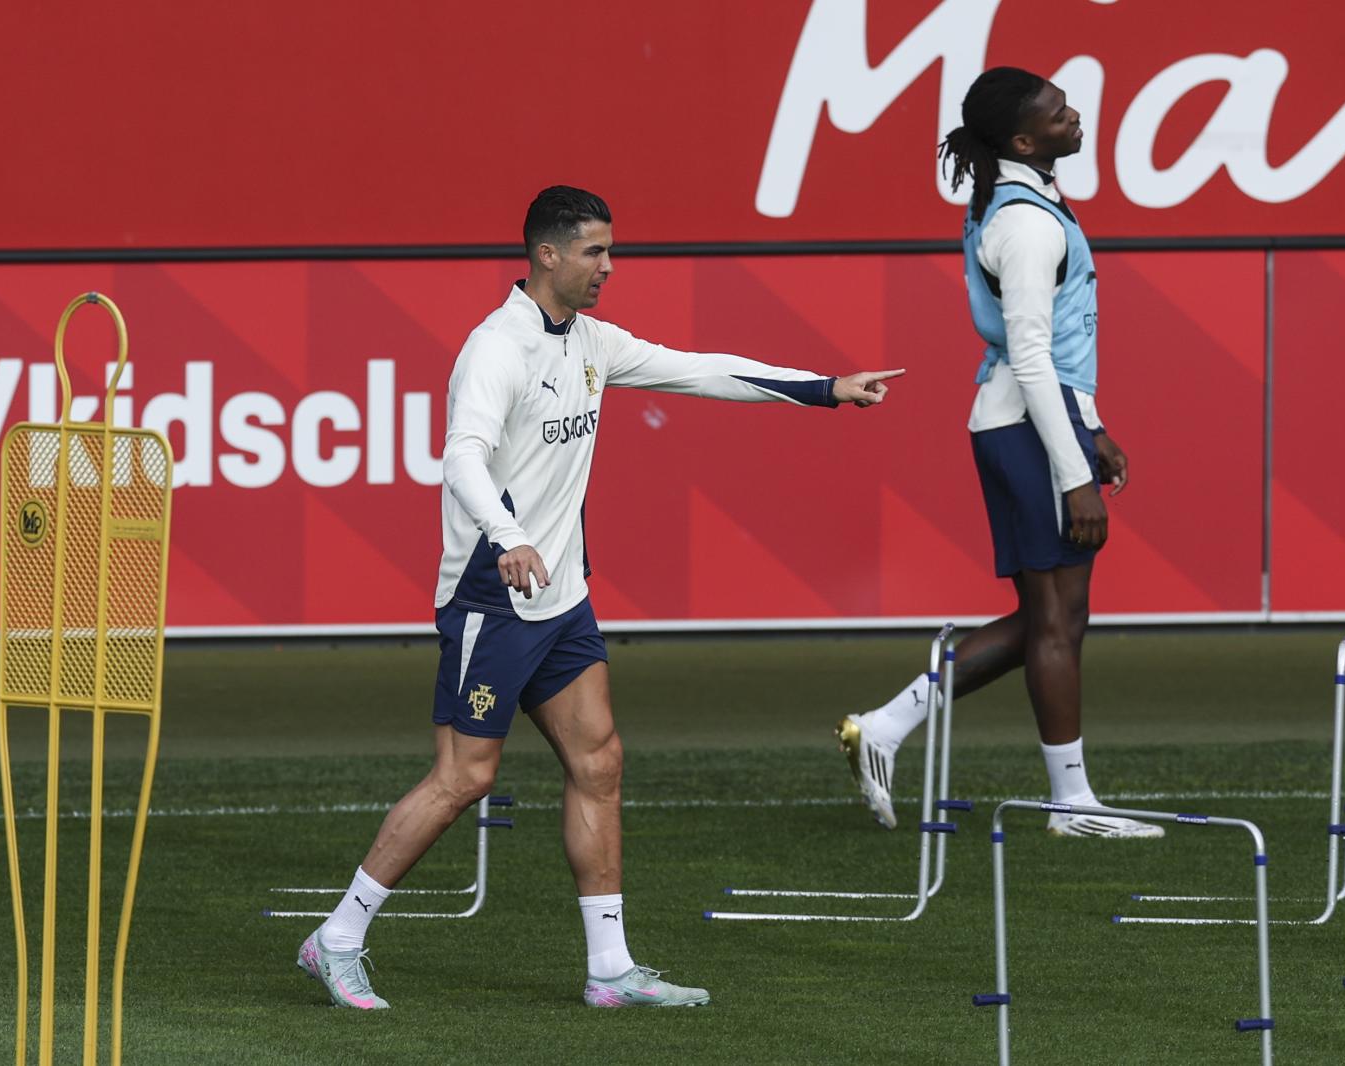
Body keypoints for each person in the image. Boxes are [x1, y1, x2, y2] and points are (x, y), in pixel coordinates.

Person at [297, 185, 904, 1011]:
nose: (608, 269)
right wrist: (508, 536)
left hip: (563, 598)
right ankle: (336, 940)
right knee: (463, 778)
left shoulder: (591, 342)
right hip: (491, 596)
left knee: (600, 762)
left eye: (610, 252)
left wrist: (825, 388)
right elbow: (463, 458)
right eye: (595, 253)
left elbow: (698, 370)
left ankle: (610, 971)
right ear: (547, 255)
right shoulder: (495, 350)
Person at [835, 68, 1161, 840]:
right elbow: (1032, 354)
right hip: (1025, 429)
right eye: (1058, 113)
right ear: (1023, 140)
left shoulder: (1028, 201)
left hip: (1034, 419)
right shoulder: (1028, 223)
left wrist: (1092, 425)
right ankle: (1070, 805)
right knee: (1056, 621)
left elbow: (1051, 358)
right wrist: (1075, 473)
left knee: (1053, 617)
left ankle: (885, 727)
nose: (1075, 116)